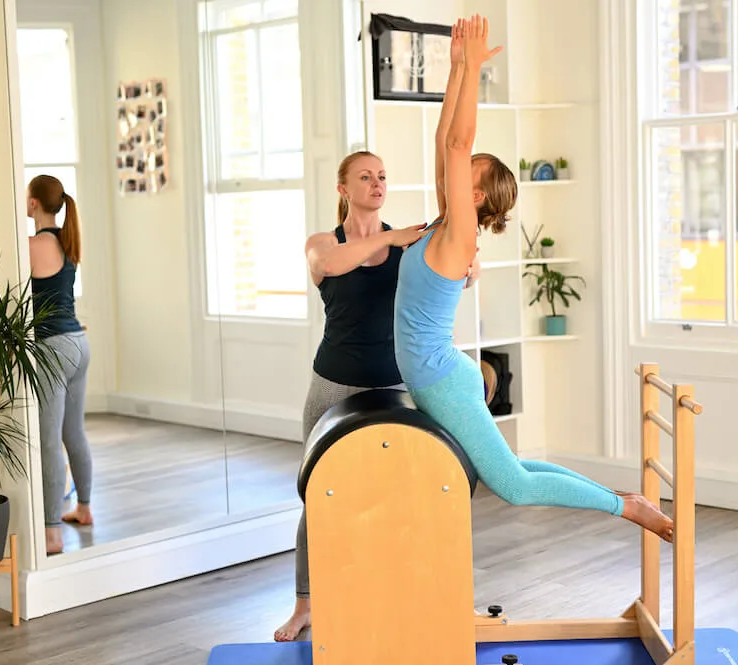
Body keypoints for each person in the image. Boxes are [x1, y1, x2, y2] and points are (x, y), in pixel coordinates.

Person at [393, 16, 674, 543]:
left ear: (475, 196)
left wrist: (474, 68)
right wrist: (456, 69)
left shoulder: (460, 238)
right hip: (441, 374)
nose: (456, 168)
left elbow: (458, 143)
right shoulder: (445, 223)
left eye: (466, 171)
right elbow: (445, 138)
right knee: (516, 471)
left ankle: (625, 507)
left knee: (515, 487)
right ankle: (626, 500)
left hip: (440, 379)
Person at [273, 150, 479, 642]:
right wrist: (391, 236)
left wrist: (466, 251)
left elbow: (467, 274)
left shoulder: (410, 248)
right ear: (343, 189)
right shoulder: (325, 243)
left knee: (399, 496)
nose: (377, 183)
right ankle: (305, 603)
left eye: (383, 176)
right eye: (365, 177)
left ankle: (395, 592)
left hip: (395, 387)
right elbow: (329, 264)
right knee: (317, 497)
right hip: (333, 385)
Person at [27, 174, 94, 556]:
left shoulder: (33, 246)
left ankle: (51, 532)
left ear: (33, 203)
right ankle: (83, 508)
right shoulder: (68, 241)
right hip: (79, 343)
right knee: (75, 433)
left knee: (50, 440)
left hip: (52, 348)